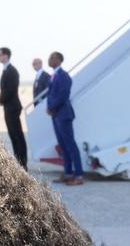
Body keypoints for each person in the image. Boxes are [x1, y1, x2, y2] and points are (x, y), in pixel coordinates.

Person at [45, 51, 83, 186]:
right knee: (63, 145)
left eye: (52, 57)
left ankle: (78, 175)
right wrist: (49, 107)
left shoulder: (64, 76)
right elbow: (51, 94)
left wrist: (52, 107)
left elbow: (63, 95)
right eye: (50, 57)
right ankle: (68, 173)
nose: (49, 59)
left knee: (70, 145)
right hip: (56, 115)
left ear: (59, 61)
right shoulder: (53, 76)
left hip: (64, 115)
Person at [0, 46, 26, 168]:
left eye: (0, 55)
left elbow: (10, 90)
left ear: (6, 56)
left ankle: (23, 163)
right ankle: (18, 160)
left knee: (17, 135)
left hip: (13, 106)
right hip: (8, 106)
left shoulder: (12, 71)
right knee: (13, 135)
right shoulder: (6, 69)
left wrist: (1, 100)